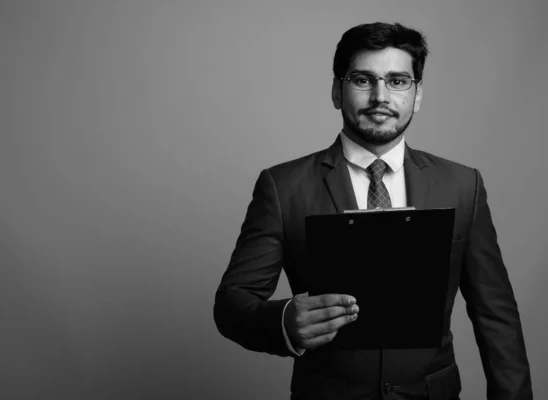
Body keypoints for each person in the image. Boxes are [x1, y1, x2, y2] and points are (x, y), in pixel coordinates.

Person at [213, 22, 532, 400]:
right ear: (337, 90)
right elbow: (233, 301)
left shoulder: (464, 185)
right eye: (364, 79)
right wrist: (284, 321)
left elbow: (496, 316)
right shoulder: (282, 187)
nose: (381, 96)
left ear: (417, 95)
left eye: (398, 81)